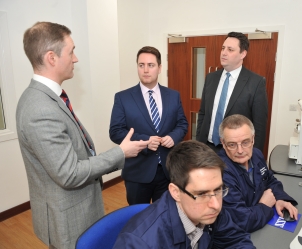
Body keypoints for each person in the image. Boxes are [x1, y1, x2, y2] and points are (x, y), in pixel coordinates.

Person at [16, 22, 148, 249]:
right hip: (67, 218)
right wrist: (121, 153)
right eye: (71, 51)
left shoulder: (48, 98)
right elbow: (69, 173)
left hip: (76, 208)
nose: (75, 59)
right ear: (52, 57)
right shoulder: (40, 108)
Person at [113, 140, 255, 249]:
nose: (216, 205)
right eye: (201, 194)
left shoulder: (210, 208)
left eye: (218, 190)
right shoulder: (139, 243)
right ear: (176, 192)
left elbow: (236, 240)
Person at [109, 46, 188, 205]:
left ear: (159, 68)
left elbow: (182, 123)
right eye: (141, 65)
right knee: (138, 218)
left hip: (168, 171)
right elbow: (116, 131)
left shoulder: (173, 95)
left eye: (151, 65)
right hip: (138, 172)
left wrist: (173, 137)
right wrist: (145, 141)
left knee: (166, 216)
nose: (145, 70)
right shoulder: (123, 98)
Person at [218, 114, 298, 233]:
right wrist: (264, 205)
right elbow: (242, 221)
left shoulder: (256, 154)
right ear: (223, 144)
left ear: (253, 139)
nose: (240, 151)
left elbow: (270, 180)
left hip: (260, 224)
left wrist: (279, 199)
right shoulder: (220, 173)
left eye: (245, 142)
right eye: (232, 144)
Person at [196, 31, 268, 153]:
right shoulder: (211, 78)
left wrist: (254, 156)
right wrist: (199, 141)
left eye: (230, 49)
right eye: (223, 48)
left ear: (242, 54)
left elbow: (259, 126)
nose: (224, 53)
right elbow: (203, 113)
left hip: (236, 151)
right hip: (206, 148)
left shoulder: (256, 83)